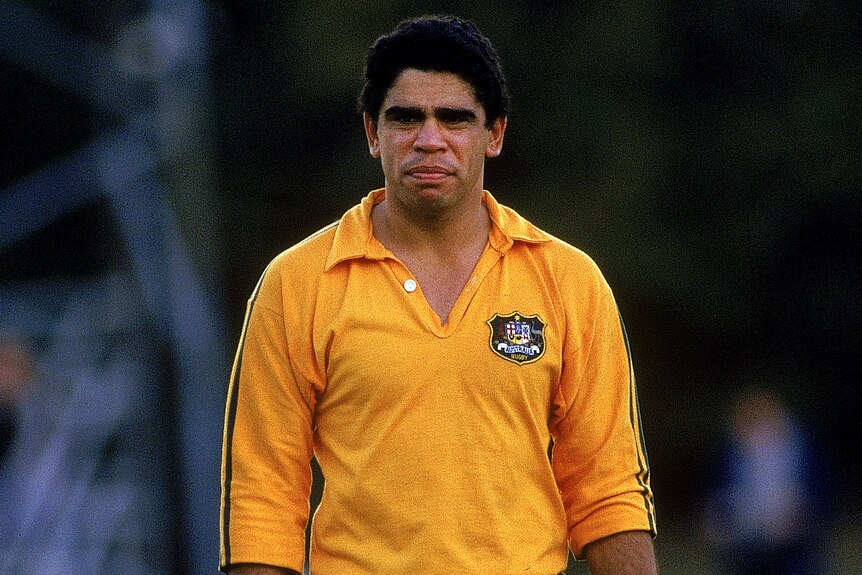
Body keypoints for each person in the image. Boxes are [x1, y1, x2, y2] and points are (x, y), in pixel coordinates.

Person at [220, 15, 656, 575]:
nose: (430, 139)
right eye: (405, 118)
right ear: (372, 133)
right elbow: (261, 499)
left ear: (494, 134)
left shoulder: (569, 281)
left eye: (454, 118)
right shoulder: (297, 283)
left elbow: (608, 487)